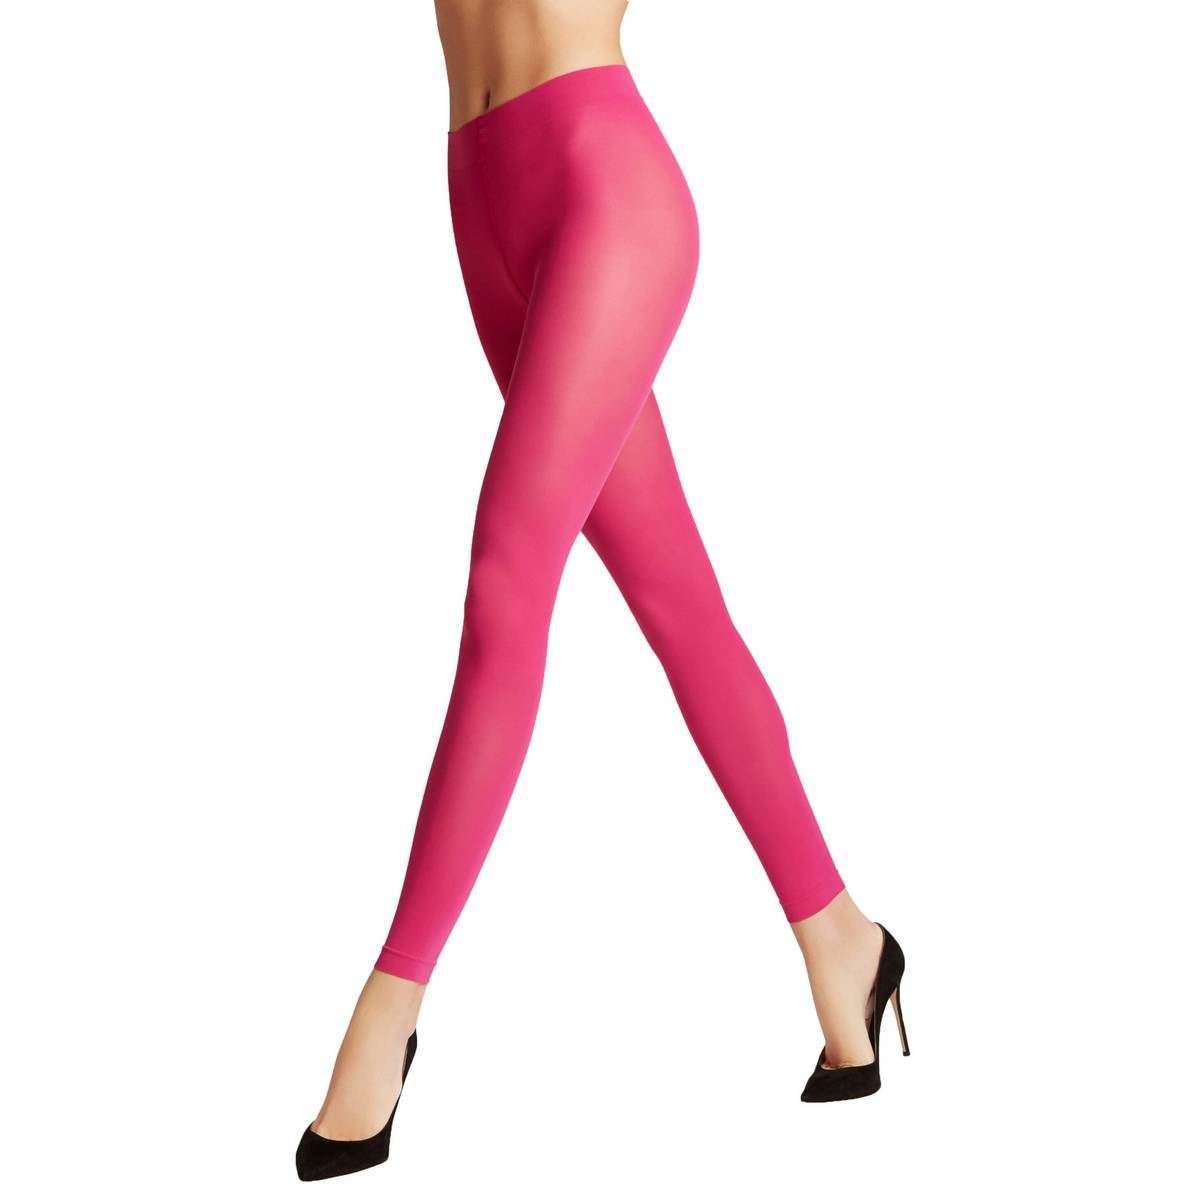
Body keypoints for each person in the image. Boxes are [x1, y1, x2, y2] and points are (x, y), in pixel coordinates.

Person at [297, 1, 908, 1180]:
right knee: (681, 605)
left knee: (505, 585)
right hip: (482, 192)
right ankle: (844, 940)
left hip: (603, 190)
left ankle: (387, 1012)